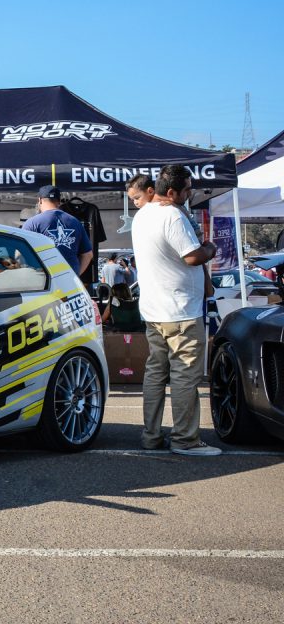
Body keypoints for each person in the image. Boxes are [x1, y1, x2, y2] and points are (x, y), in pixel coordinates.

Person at [132, 164, 221, 456]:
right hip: (180, 310)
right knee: (184, 375)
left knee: (156, 373)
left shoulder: (142, 214)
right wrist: (210, 249)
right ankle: (185, 440)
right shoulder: (172, 215)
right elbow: (193, 256)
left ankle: (151, 436)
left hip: (154, 310)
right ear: (171, 192)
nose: (189, 194)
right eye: (186, 190)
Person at [22, 185, 93, 277]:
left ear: (39, 200)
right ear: (59, 201)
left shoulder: (32, 223)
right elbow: (88, 255)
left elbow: (21, 254)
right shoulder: (75, 222)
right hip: (70, 282)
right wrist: (75, 275)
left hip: (44, 282)